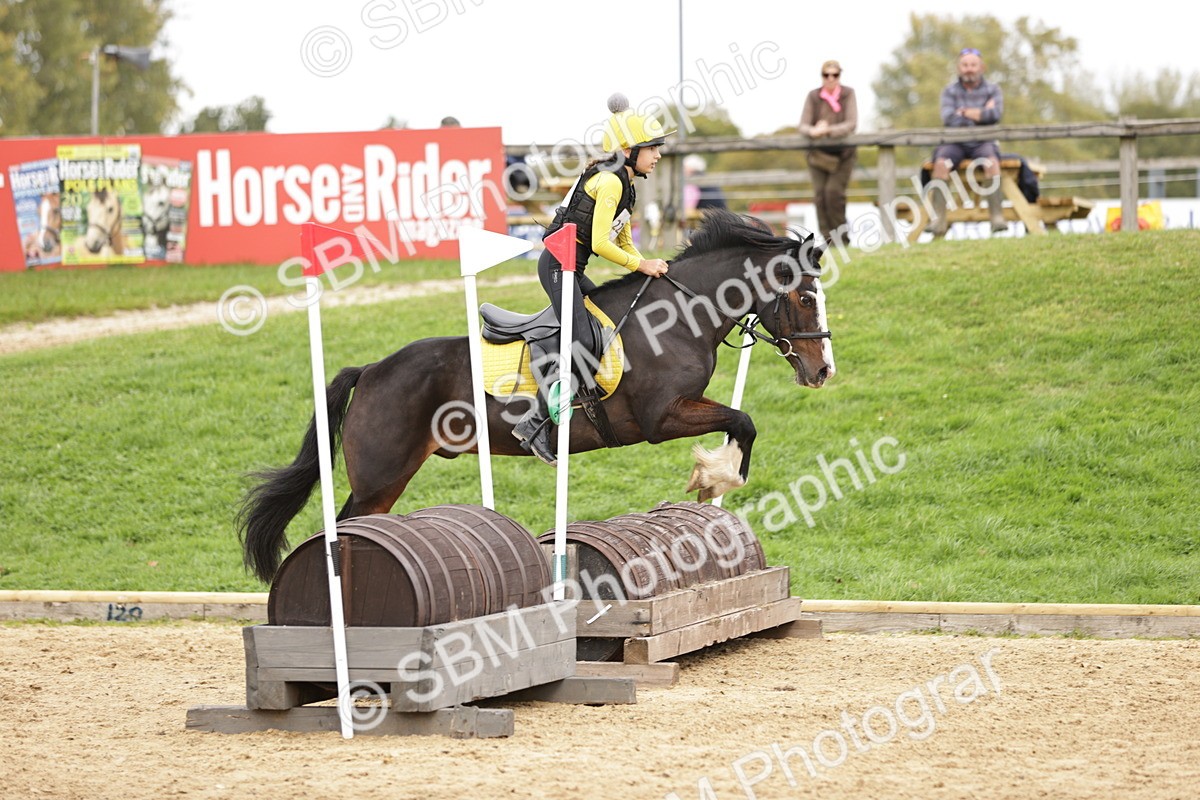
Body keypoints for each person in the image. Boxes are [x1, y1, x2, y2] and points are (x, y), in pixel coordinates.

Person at [511, 93, 673, 465]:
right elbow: (600, 243)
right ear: (629, 150)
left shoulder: (626, 184)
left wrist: (645, 266)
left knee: (604, 318)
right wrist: (641, 266)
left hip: (572, 267)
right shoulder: (611, 183)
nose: (658, 155)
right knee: (583, 339)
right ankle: (533, 424)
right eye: (652, 148)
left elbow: (623, 239)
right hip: (557, 265)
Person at [926, 47, 1006, 237]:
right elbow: (948, 118)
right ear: (958, 68)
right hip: (954, 142)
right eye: (965, 65)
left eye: (973, 65)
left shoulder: (993, 89)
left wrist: (963, 112)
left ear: (981, 67)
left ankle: (997, 217)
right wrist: (980, 113)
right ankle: (938, 220)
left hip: (983, 141)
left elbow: (995, 115)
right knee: (940, 163)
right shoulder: (949, 91)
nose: (969, 69)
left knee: (992, 163)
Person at [798, 60, 857, 247]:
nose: (831, 78)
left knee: (834, 194)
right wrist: (813, 131)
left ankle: (842, 241)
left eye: (835, 75)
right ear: (822, 76)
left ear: (840, 76)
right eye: (826, 75)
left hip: (843, 155)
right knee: (820, 197)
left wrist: (827, 130)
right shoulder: (813, 96)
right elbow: (803, 125)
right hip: (818, 156)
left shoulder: (848, 94)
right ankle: (828, 241)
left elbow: (851, 123)